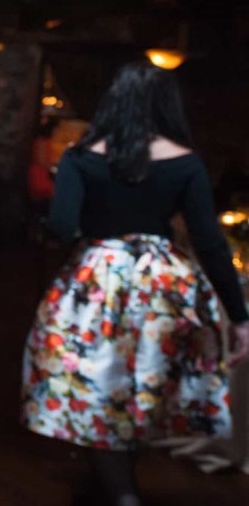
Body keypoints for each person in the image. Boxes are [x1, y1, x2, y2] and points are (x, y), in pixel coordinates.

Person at [21, 63, 249, 506]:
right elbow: (210, 243)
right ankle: (120, 489)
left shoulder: (81, 155)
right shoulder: (185, 161)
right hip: (164, 285)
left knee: (95, 383)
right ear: (167, 106)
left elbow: (62, 227)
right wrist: (240, 317)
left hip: (97, 279)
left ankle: (121, 493)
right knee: (146, 385)